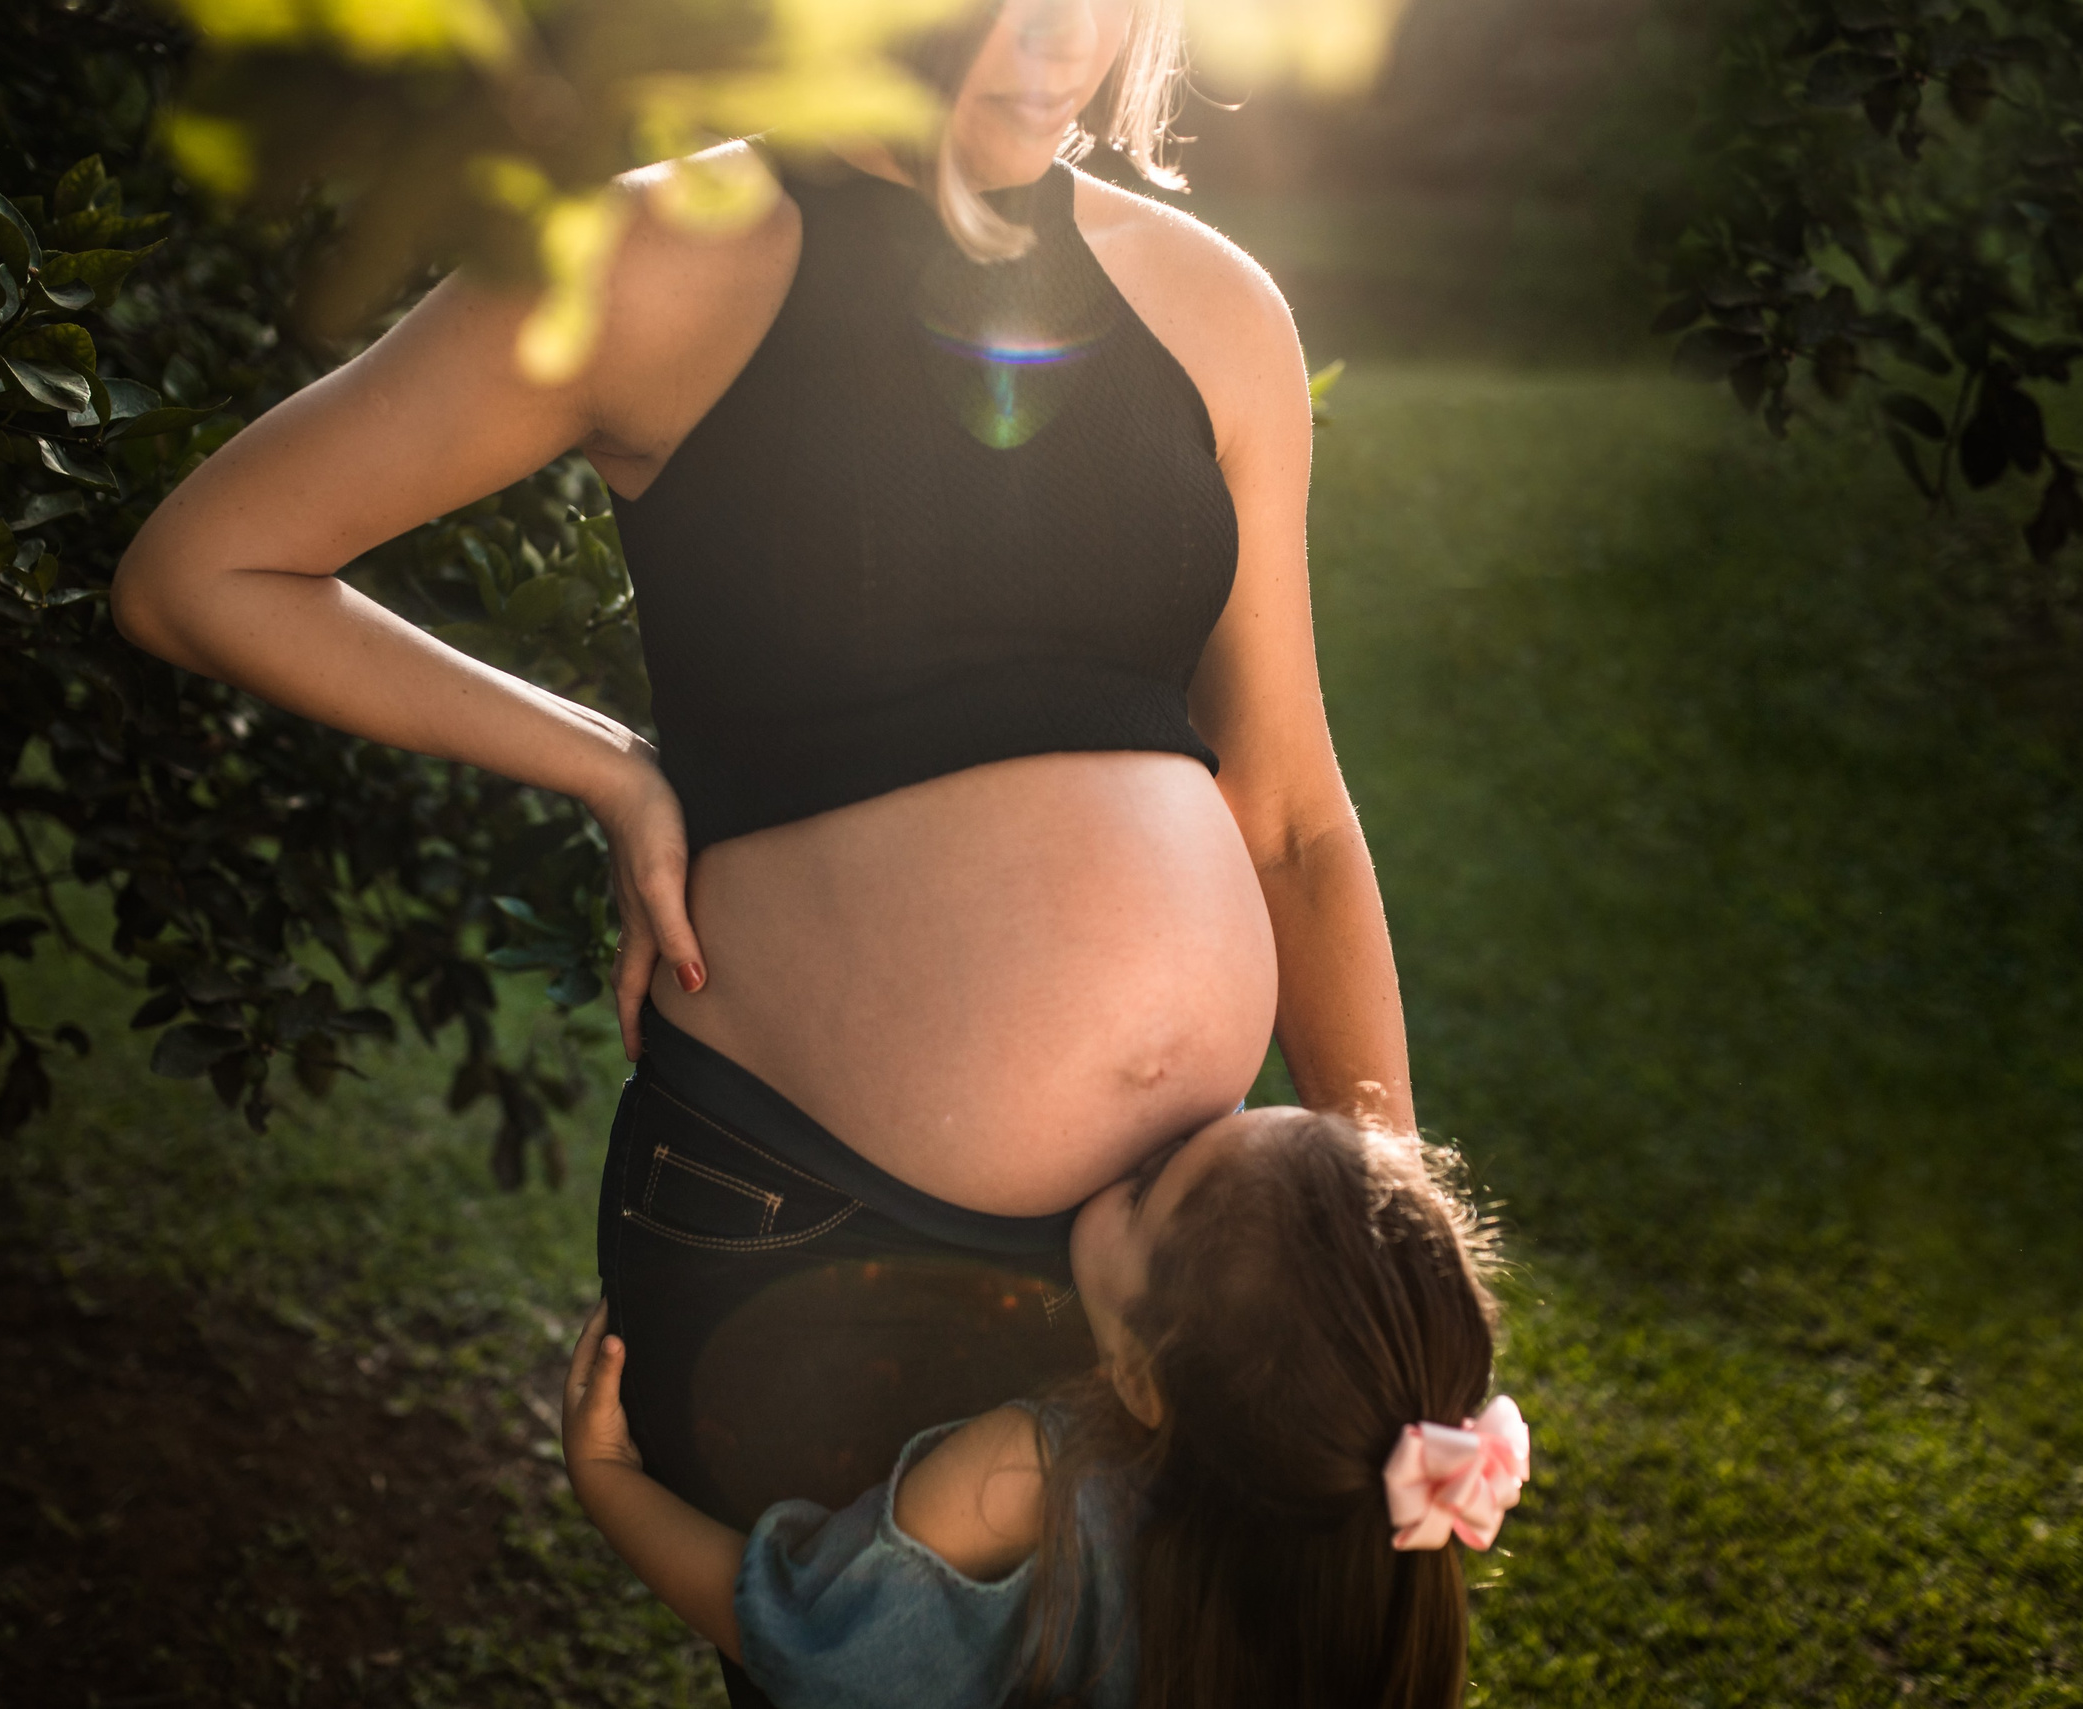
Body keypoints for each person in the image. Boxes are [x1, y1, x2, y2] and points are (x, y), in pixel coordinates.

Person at [112, 0, 1415, 1698]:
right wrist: (607, 764)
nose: (1053, 36)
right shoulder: (656, 256)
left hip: (1179, 1245)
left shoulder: (1213, 308)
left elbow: (1296, 815)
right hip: (815, 1228)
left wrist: (1379, 1264)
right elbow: (204, 566)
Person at [561, 1106, 1524, 1709]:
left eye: (1152, 1185)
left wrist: (607, 1484)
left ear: (1144, 1376)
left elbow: (821, 1647)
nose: (1154, 1130)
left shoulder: (1026, 1477)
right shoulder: (1342, 1595)